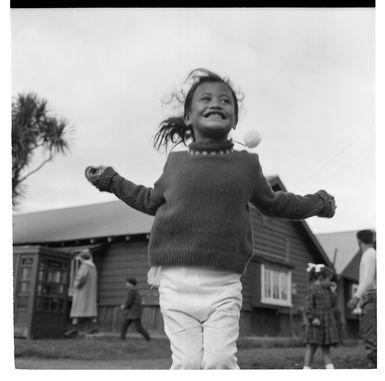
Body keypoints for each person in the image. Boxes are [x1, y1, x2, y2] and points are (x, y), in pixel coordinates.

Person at [84, 68, 336, 369]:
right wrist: (111, 180)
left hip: (223, 286)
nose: (216, 103)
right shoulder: (176, 164)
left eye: (226, 101)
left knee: (219, 362)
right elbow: (149, 199)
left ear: (235, 120)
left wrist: (317, 203)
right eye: (206, 98)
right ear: (189, 117)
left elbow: (275, 203)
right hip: (175, 284)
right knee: (187, 365)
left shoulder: (246, 164)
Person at [347, 229, 376, 368]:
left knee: (370, 333)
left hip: (371, 297)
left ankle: (375, 366)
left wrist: (355, 298)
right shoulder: (371, 254)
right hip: (371, 297)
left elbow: (368, 280)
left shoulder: (369, 254)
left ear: (359, 241)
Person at [303, 263, 340, 369]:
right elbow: (307, 306)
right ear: (321, 278)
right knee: (311, 346)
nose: (331, 282)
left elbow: (332, 304)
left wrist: (333, 292)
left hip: (327, 322)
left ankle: (330, 368)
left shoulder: (328, 290)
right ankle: (306, 368)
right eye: (329, 279)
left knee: (326, 347)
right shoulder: (312, 289)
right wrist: (313, 318)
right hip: (317, 322)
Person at [69, 250, 98, 334]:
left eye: (80, 258)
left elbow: (82, 276)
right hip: (91, 292)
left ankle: (74, 328)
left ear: (82, 258)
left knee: (76, 310)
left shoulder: (84, 266)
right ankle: (94, 327)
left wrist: (76, 285)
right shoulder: (93, 267)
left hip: (82, 291)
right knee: (90, 310)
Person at [120, 277, 151, 342]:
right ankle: (122, 339)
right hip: (133, 312)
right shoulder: (135, 290)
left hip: (134, 312)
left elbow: (129, 301)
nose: (126, 284)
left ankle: (148, 339)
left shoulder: (132, 290)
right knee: (124, 325)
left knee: (138, 328)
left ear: (131, 283)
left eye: (127, 282)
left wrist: (124, 306)